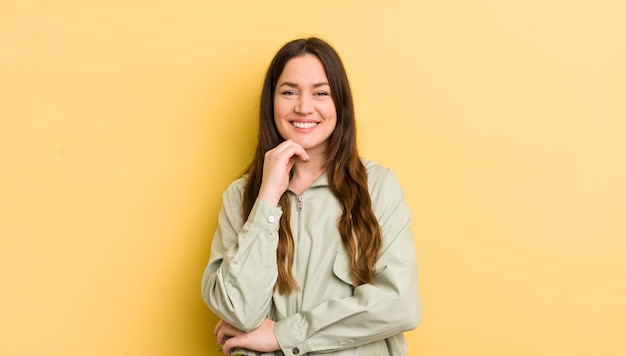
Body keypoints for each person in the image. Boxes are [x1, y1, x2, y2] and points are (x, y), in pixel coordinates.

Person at [201, 37, 422, 356]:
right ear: (271, 102)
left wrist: (283, 335)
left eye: (321, 93)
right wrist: (267, 197)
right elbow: (238, 311)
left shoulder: (378, 186)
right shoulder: (241, 196)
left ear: (339, 104)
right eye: (289, 92)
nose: (304, 107)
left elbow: (400, 304)